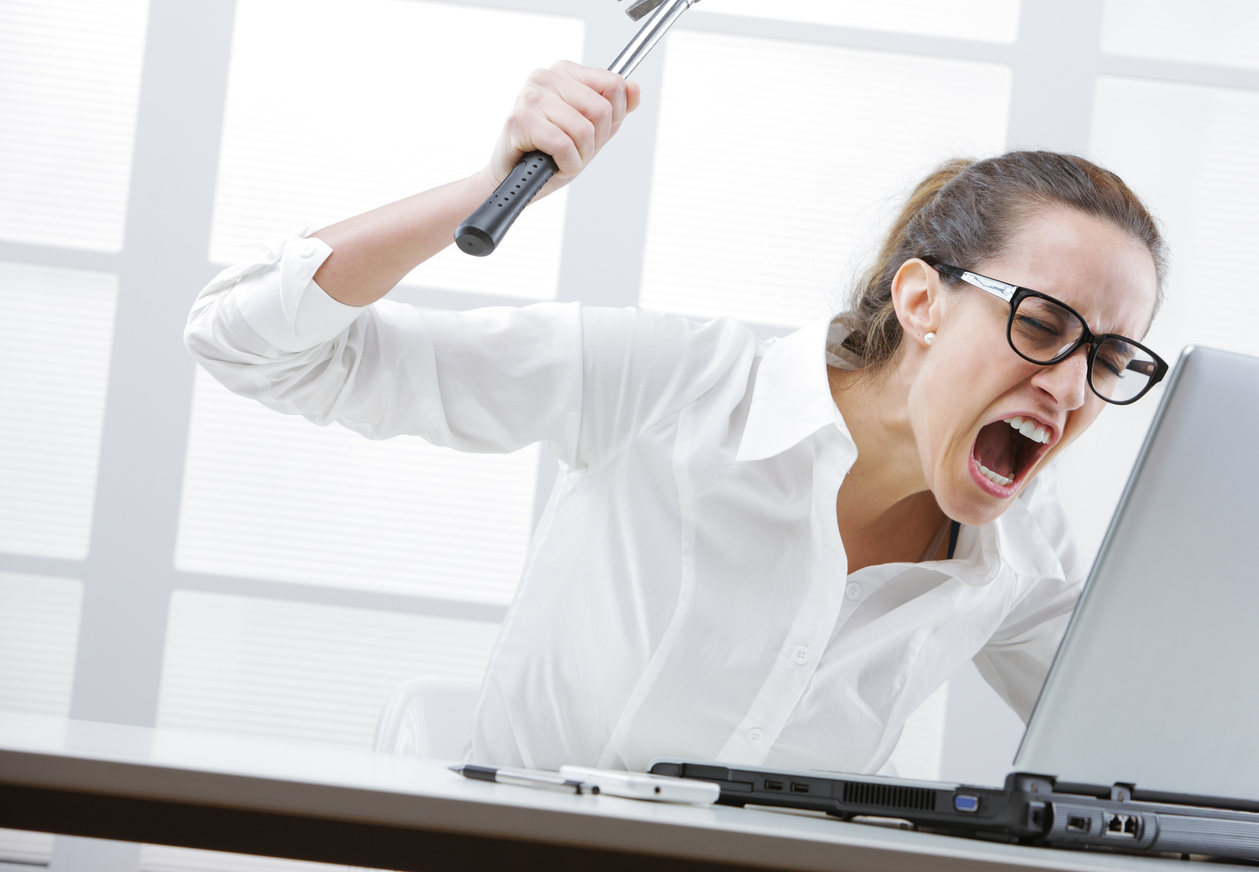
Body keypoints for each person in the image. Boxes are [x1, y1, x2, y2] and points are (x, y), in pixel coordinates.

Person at [184, 61, 1169, 775]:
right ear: (921, 302)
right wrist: (486, 191)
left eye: (1112, 359)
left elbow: (1159, 766)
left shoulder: (1027, 559)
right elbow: (248, 340)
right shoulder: (671, 384)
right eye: (1044, 326)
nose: (1074, 389)